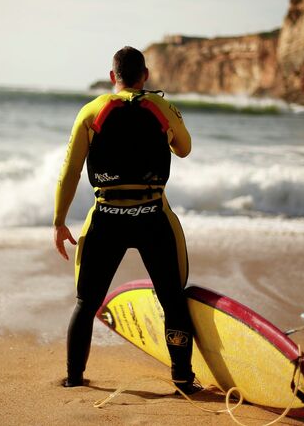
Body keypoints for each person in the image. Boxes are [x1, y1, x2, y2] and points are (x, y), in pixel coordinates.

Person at [53, 46, 199, 393]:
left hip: (106, 217)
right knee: (172, 300)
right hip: (153, 215)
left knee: (86, 303)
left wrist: (59, 221)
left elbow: (70, 171)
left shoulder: (91, 111)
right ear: (144, 76)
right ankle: (182, 379)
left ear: (112, 76)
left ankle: (75, 379)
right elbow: (185, 148)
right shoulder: (162, 107)